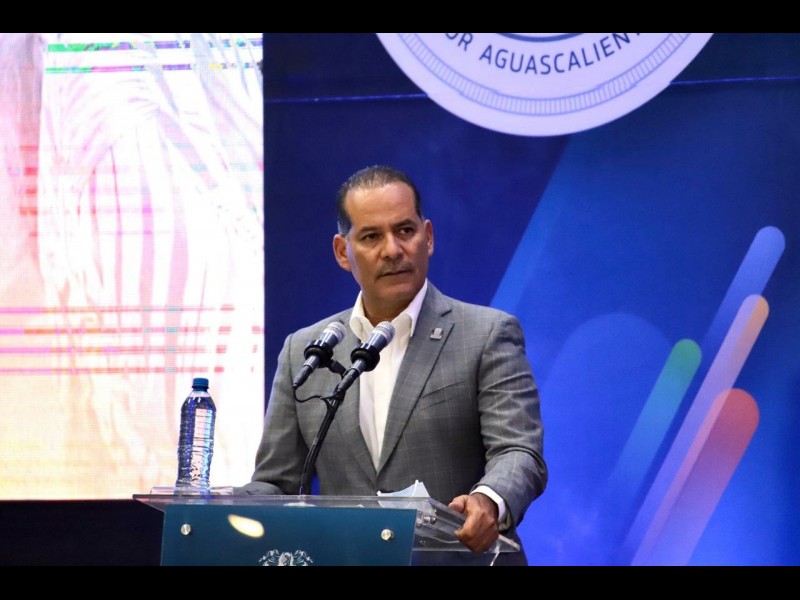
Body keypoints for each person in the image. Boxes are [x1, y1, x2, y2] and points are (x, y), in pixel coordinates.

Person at [240, 165, 547, 565]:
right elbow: (276, 482)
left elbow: (519, 450)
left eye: (405, 230)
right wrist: (211, 505)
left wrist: (488, 499)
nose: (392, 249)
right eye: (371, 236)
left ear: (428, 237)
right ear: (342, 252)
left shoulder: (486, 333)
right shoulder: (306, 350)